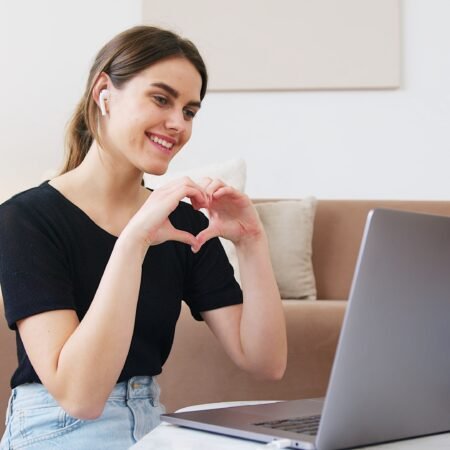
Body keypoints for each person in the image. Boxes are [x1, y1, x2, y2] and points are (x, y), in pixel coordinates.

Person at [0, 25, 287, 449]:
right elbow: (80, 396)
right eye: (161, 99)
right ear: (104, 92)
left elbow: (265, 362)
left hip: (151, 423)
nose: (177, 124)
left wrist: (251, 242)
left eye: (189, 111)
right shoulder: (26, 219)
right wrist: (133, 240)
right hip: (54, 427)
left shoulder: (183, 221)